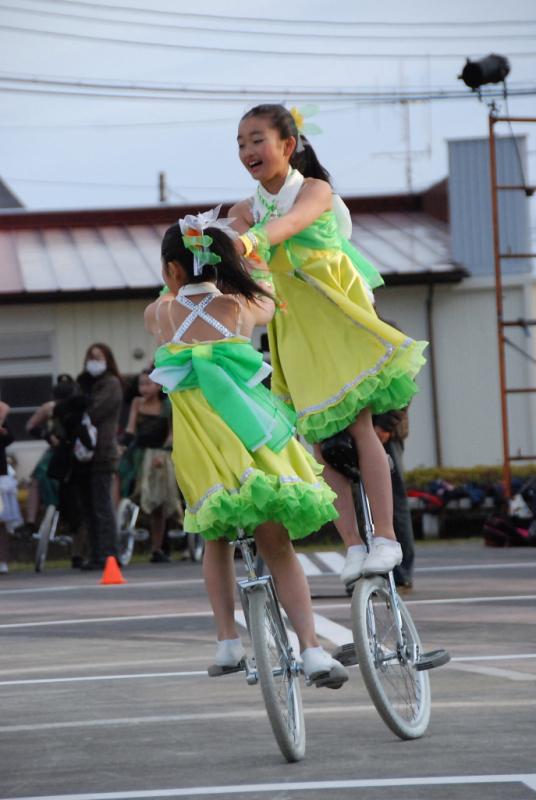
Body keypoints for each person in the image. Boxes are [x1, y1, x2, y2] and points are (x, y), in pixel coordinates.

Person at [144, 208, 348, 687]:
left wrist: (179, 285)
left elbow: (167, 302)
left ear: (172, 270)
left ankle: (227, 641)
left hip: (201, 449)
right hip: (254, 439)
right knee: (276, 542)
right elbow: (271, 299)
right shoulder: (240, 308)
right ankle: (313, 650)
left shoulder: (158, 315)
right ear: (222, 264)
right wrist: (249, 261)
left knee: (214, 538)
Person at [230, 104, 427, 586]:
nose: (247, 150)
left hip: (336, 314)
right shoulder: (244, 209)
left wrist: (246, 243)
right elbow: (233, 244)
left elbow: (285, 228)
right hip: (294, 327)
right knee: (318, 440)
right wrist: (207, 244)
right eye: (240, 143)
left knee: (359, 425)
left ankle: (385, 537)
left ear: (288, 145)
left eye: (257, 139)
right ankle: (354, 544)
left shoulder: (314, 191)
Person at [119, 370, 183, 563]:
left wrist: (164, 452)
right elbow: (130, 428)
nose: (145, 388)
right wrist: (122, 445)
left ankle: (156, 548)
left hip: (158, 455)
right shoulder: (137, 403)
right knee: (125, 486)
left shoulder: (167, 405)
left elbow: (172, 433)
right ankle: (121, 526)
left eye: (149, 384)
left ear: (158, 385)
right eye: (141, 384)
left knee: (158, 503)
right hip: (139, 452)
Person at [77, 344, 123, 570]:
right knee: (89, 507)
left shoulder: (111, 384)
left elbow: (95, 411)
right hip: (83, 454)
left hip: (103, 452)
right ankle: (96, 554)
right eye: (90, 357)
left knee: (102, 507)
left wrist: (77, 409)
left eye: (98, 357)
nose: (93, 361)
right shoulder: (85, 384)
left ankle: (109, 554)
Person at [374, 407, 415, 589]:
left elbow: (405, 385)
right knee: (371, 503)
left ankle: (400, 572)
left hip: (385, 430)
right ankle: (384, 572)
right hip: (367, 428)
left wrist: (385, 425)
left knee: (393, 501)